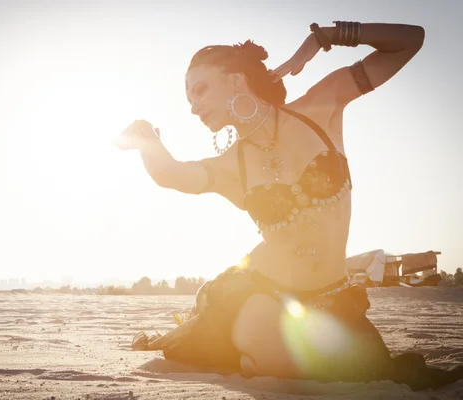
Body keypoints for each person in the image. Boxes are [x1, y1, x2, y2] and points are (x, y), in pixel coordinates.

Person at [117, 21, 462, 389]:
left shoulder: (320, 106)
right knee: (283, 368)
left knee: (369, 373)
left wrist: (326, 37)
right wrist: (146, 140)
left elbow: (410, 41)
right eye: (189, 99)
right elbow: (171, 174)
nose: (194, 107)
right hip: (266, 298)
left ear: (235, 80)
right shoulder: (233, 165)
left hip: (336, 300)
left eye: (200, 91)